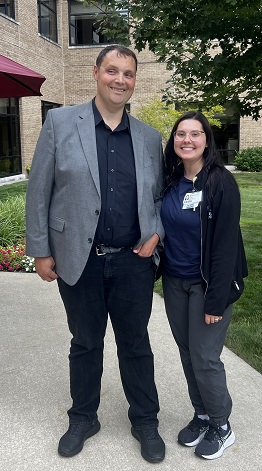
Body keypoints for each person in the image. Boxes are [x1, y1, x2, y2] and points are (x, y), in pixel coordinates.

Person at [25, 45, 165, 464]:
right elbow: (40, 191)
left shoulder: (148, 137)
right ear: (96, 73)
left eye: (128, 73)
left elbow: (157, 196)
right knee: (85, 342)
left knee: (136, 343)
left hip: (132, 261)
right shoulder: (60, 121)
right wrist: (41, 250)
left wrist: (154, 233)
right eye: (112, 71)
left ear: (134, 80)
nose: (120, 80)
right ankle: (84, 417)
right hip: (78, 258)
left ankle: (145, 419)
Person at [160, 111, 248, 460]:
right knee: (186, 351)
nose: (187, 140)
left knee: (205, 357)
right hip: (174, 281)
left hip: (208, 284)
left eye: (195, 134)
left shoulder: (221, 183)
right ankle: (202, 414)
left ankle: (222, 425)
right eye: (181, 134)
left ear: (206, 141)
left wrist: (216, 300)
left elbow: (226, 246)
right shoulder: (170, 180)